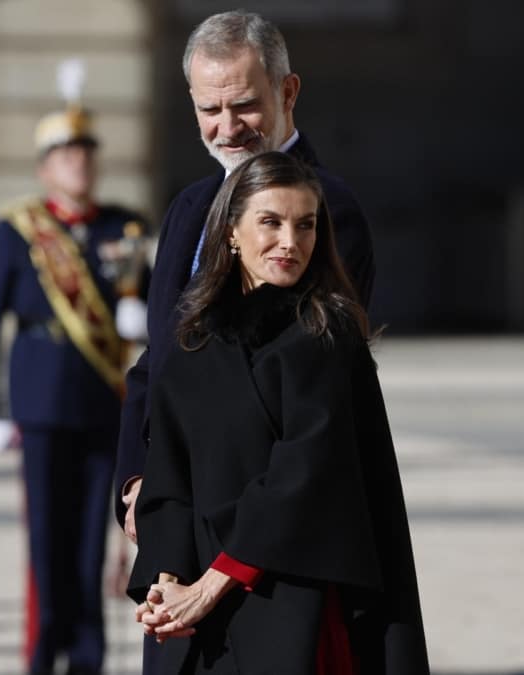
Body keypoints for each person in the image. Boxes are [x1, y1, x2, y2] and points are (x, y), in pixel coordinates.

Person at [127, 151, 428, 674]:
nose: (290, 242)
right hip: (198, 613)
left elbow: (304, 475)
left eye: (305, 225)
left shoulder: (326, 334)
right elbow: (169, 478)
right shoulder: (193, 342)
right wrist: (167, 583)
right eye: (271, 222)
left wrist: (213, 584)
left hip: (293, 598)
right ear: (231, 232)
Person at [114, 6, 375, 549]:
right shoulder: (189, 207)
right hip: (174, 506)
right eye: (210, 108)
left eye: (245, 105)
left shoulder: (327, 209)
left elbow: (304, 377)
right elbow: (157, 356)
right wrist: (138, 477)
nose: (227, 128)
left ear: (287, 92)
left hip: (261, 519)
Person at [0, 59, 151, 675]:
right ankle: (43, 652)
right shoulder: (17, 230)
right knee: (46, 542)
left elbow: (151, 307)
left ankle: (89, 659)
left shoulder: (122, 226)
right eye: (66, 154)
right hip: (41, 401)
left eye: (85, 153)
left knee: (90, 547)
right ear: (45, 166)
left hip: (105, 401)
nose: (78, 163)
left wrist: (140, 313)